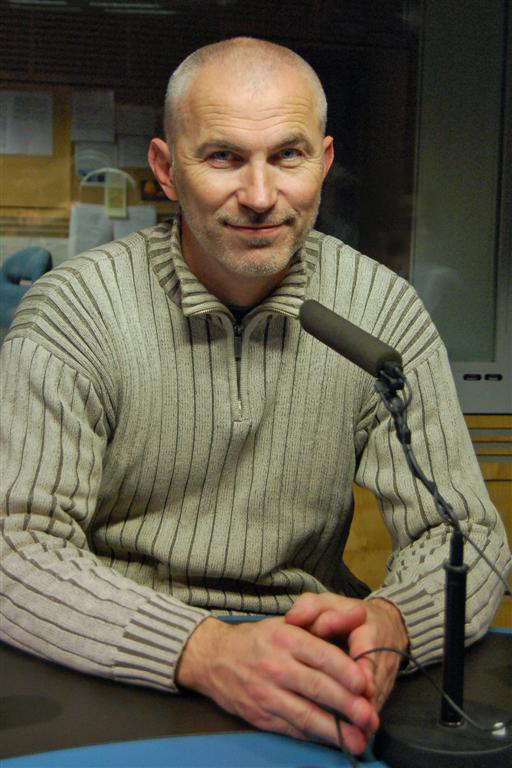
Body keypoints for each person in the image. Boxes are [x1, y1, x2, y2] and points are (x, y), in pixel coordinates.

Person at [0, 37, 509, 757]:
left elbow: (466, 536)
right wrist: (204, 651)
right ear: (165, 170)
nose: (262, 195)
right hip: (112, 657)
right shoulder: (74, 314)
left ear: (323, 164)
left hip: (310, 655)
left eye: (288, 156)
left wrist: (396, 623)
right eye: (223, 157)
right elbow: (15, 547)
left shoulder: (382, 312)